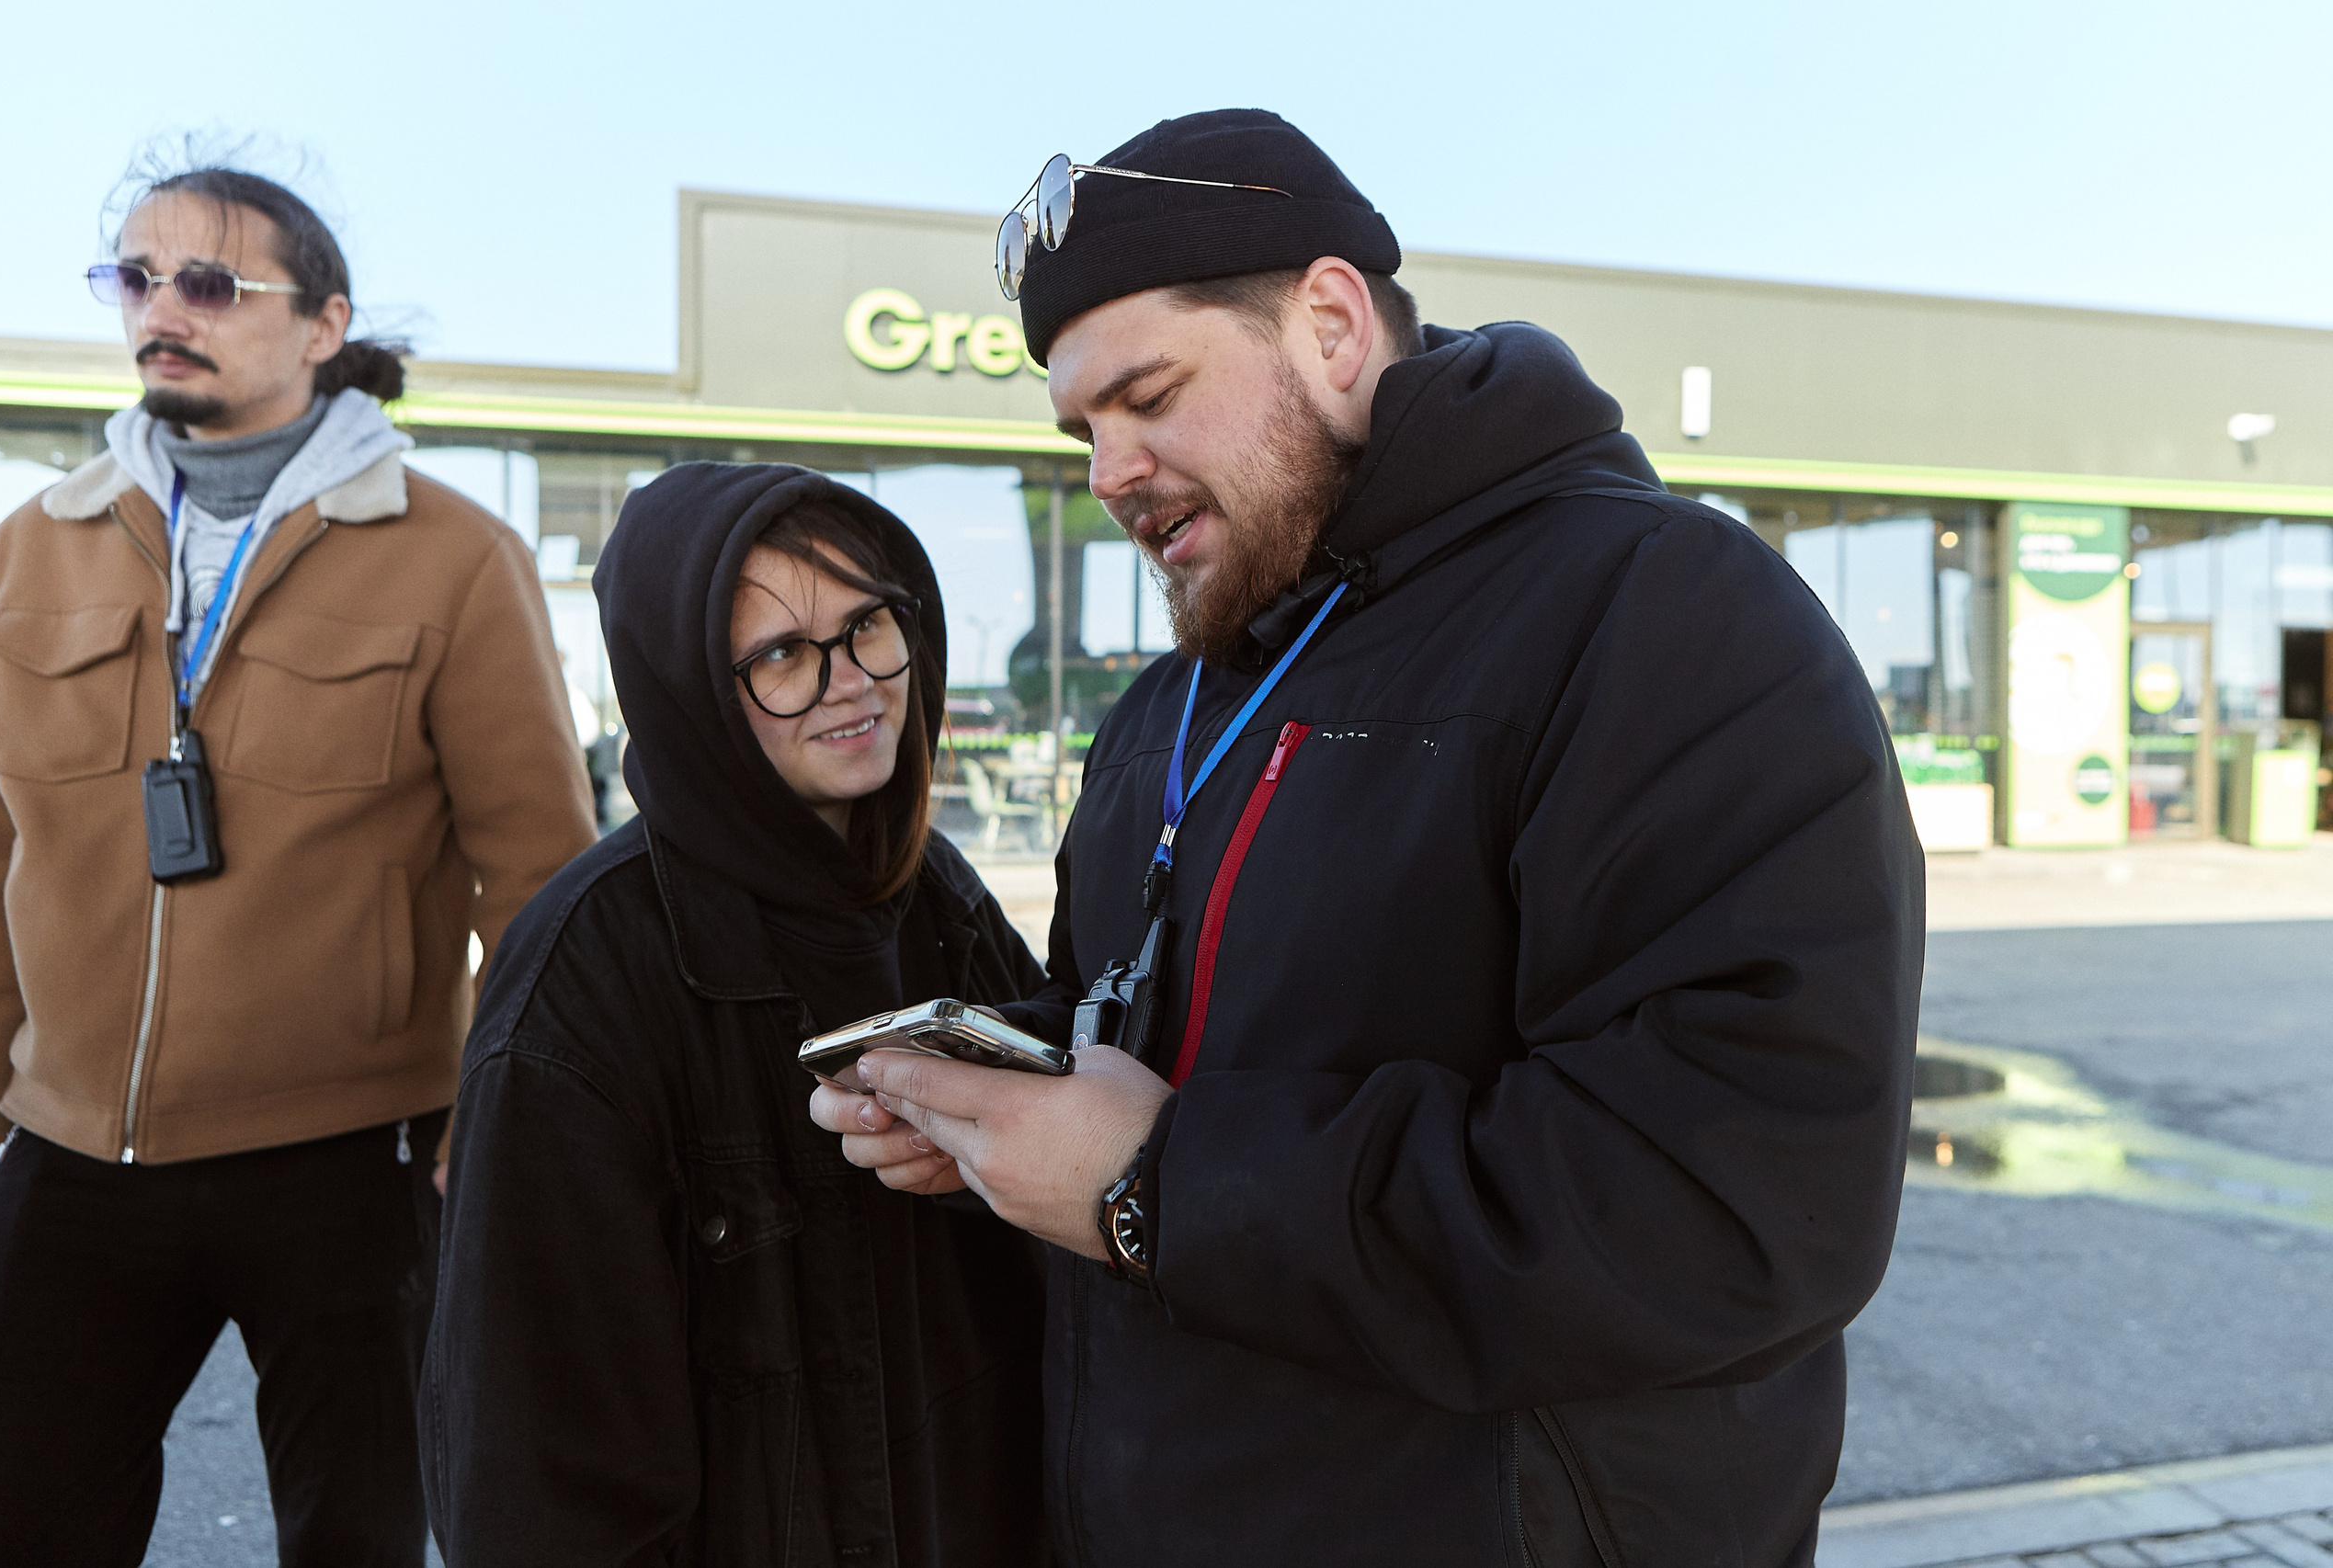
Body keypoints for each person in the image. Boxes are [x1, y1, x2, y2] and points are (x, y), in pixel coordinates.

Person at [813, 109, 1924, 1566]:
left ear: (1332, 325)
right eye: (1084, 428)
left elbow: (1730, 1202)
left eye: (1150, 394)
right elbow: (1193, 1040)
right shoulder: (1169, 702)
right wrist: (1004, 1101)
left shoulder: (1660, 612)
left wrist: (1156, 1182)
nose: (1110, 470)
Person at [0, 165, 596, 1566]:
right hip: (68, 1154)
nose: (162, 309)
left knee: (359, 1537)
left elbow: (539, 879)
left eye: (210, 283)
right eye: (134, 278)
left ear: (325, 323)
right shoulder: (27, 553)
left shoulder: (454, 559)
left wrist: (489, 1141)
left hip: (352, 1161)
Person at [419, 464, 1053, 1567]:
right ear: (689, 696)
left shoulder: (936, 895)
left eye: (868, 626)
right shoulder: (586, 979)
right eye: (779, 658)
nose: (849, 682)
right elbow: (533, 1469)